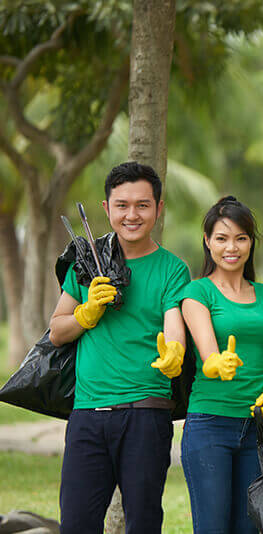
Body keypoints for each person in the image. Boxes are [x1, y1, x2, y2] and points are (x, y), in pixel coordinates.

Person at [49, 162, 190, 534]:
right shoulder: (85, 261)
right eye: (122, 205)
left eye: (143, 205)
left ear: (159, 209)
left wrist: (174, 353)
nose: (132, 215)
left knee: (143, 523)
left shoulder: (172, 268)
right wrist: (87, 312)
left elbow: (174, 325)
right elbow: (56, 332)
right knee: (77, 524)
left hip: (146, 413)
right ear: (106, 209)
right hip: (88, 415)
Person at [180, 196, 263, 534]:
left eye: (241, 238)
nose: (232, 247)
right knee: (213, 527)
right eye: (222, 238)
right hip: (210, 424)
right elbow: (209, 354)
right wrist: (216, 363)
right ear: (207, 242)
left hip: (256, 430)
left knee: (250, 528)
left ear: (251, 243)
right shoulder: (197, 293)